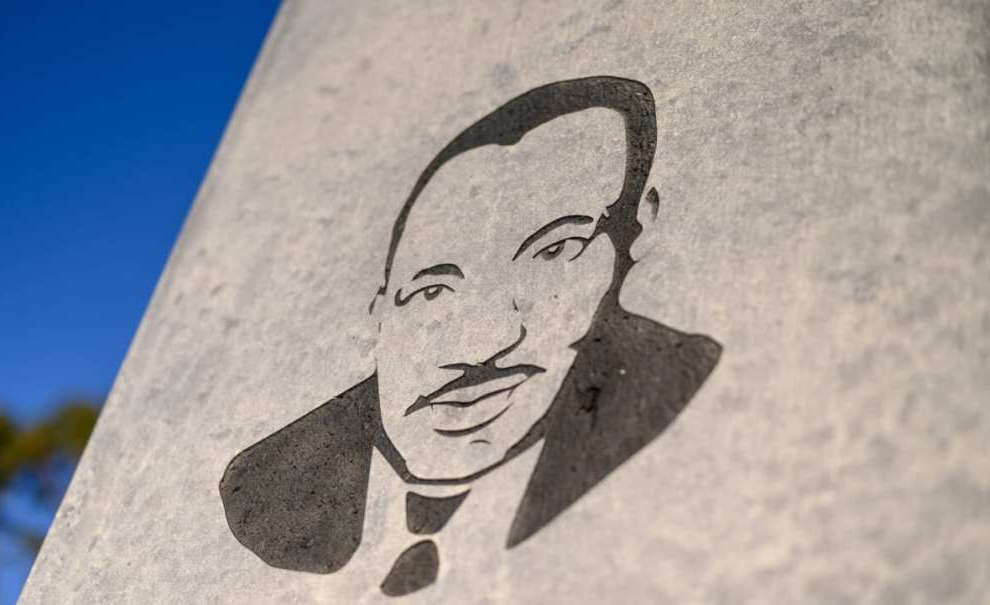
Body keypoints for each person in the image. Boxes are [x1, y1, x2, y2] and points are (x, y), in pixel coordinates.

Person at [220, 76, 721, 596]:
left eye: (553, 252)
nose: (486, 343)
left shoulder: (684, 404)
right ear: (380, 312)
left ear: (637, 233)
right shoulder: (265, 489)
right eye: (432, 291)